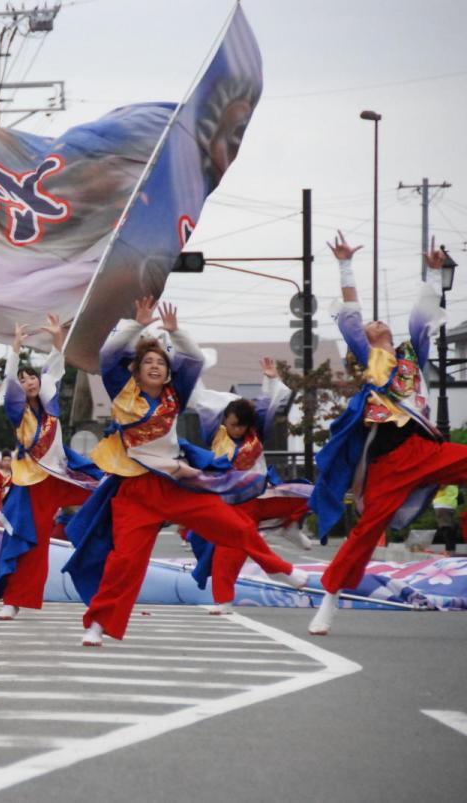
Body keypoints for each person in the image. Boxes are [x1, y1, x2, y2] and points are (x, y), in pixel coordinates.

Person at [65, 298, 306, 646]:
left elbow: (192, 360)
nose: (154, 366)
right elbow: (109, 354)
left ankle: (281, 569)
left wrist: (175, 334)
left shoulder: (174, 394)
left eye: (160, 363)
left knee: (234, 524)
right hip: (135, 493)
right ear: (135, 369)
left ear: (168, 372)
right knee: (124, 562)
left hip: (177, 485)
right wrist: (137, 324)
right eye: (146, 361)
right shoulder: (123, 389)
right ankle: (98, 625)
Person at [307, 235, 466, 635]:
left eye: (380, 322)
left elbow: (423, 315)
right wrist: (345, 266)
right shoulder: (370, 360)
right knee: (365, 533)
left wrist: (432, 270)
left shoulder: (412, 353)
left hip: (424, 450)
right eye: (370, 325)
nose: (376, 323)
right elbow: (350, 317)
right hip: (388, 465)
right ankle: (329, 599)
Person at [0, 316, 102, 621]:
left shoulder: (51, 405)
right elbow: (9, 382)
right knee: (28, 541)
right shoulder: (18, 410)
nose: (28, 383)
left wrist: (57, 339)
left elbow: (55, 367)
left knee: (106, 492)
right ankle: (12, 599)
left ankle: (104, 557)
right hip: (30, 483)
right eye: (24, 379)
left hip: (60, 476)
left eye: (32, 378)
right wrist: (15, 347)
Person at [185, 356, 314, 614]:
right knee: (227, 553)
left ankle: (289, 525)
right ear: (224, 421)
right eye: (233, 425)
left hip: (261, 496)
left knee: (310, 494)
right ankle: (224, 601)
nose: (237, 430)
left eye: (242, 426)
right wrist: (190, 361)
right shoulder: (214, 431)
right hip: (232, 505)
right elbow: (197, 396)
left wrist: (270, 378)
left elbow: (268, 403)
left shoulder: (256, 431)